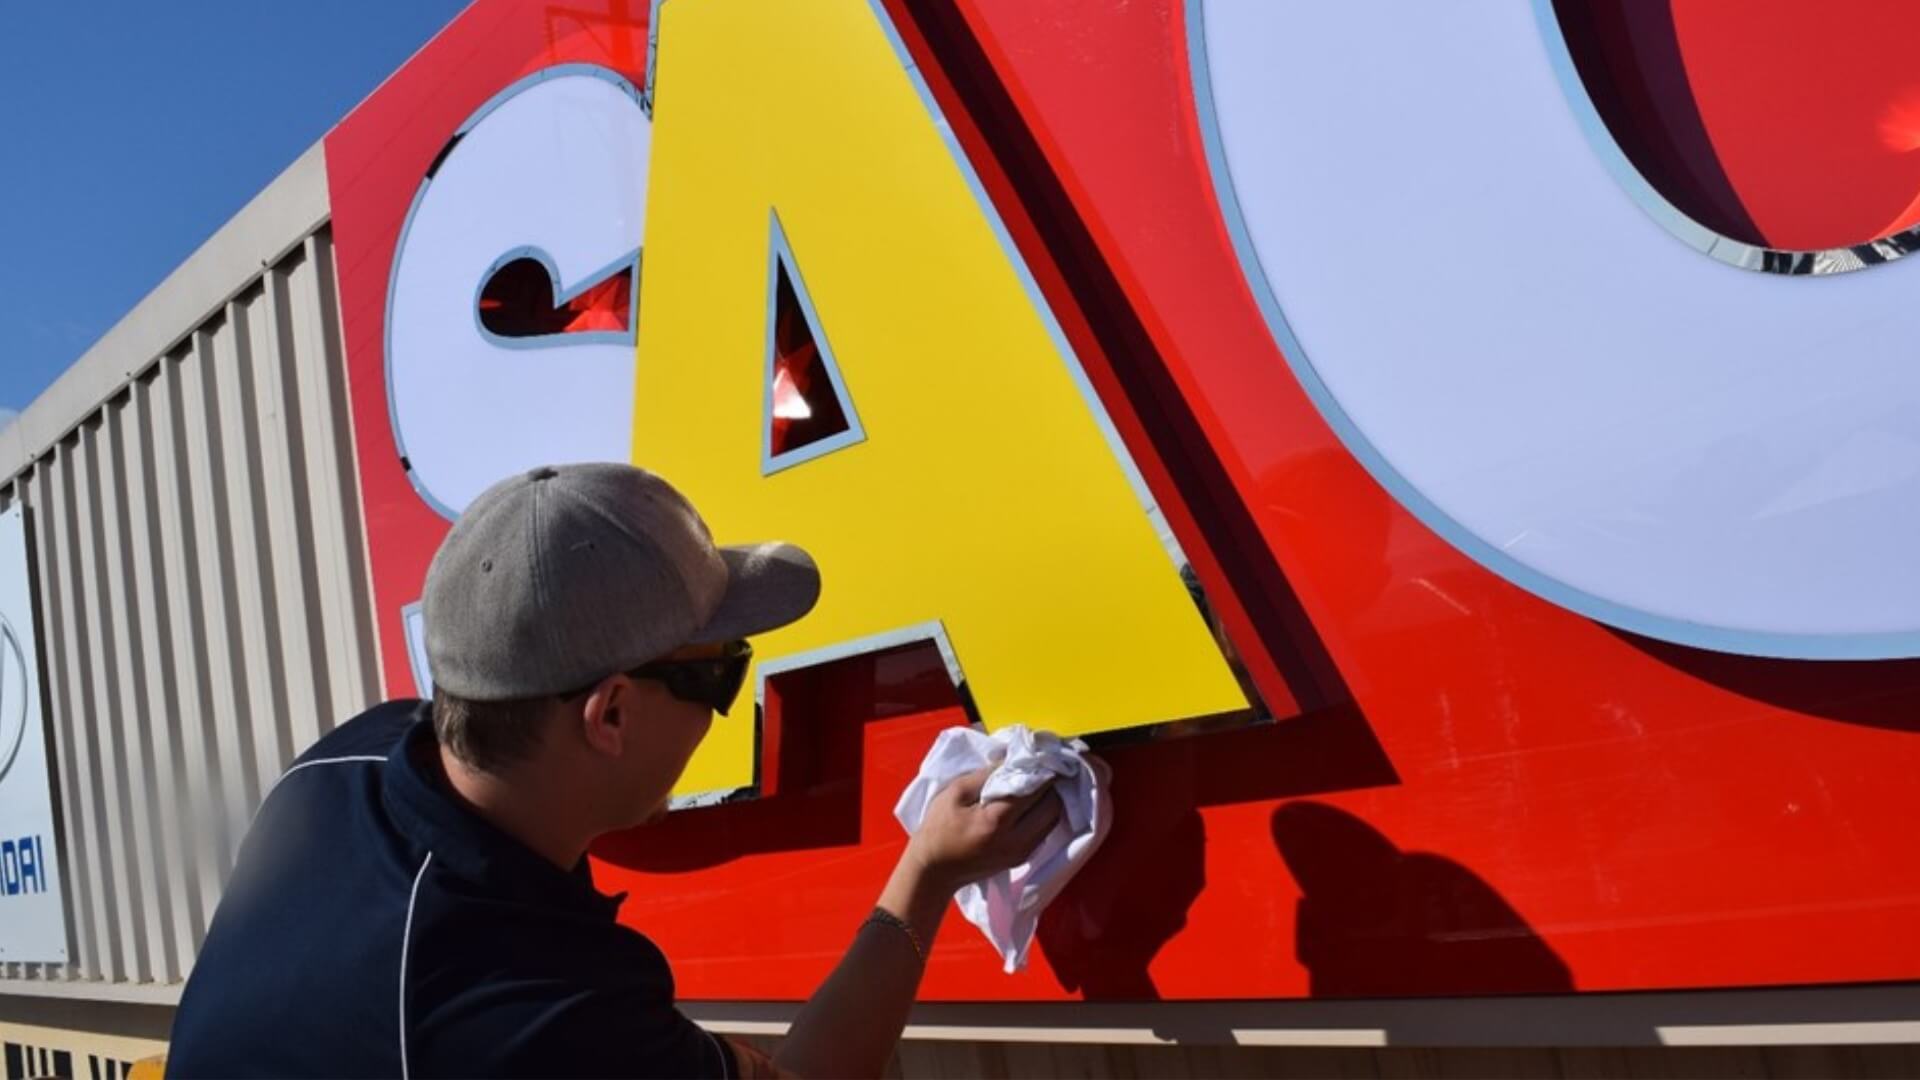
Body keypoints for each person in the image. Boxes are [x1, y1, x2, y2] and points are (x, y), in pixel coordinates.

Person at [168, 463, 1063, 1078]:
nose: (733, 704)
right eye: (721, 671)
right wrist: (929, 872)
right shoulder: (534, 1015)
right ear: (613, 713)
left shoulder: (343, 763)